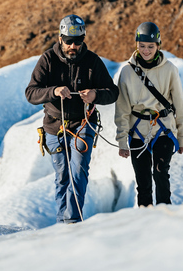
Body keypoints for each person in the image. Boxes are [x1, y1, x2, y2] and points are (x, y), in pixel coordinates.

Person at [25, 14, 119, 224]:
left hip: (84, 123)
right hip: (54, 127)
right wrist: (54, 91)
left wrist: (95, 95)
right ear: (60, 38)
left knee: (78, 172)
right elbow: (31, 93)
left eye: (78, 41)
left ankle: (72, 222)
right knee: (62, 176)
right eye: (68, 41)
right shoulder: (48, 60)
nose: (73, 46)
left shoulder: (93, 61)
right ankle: (63, 222)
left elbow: (112, 92)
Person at [115, 22, 183, 207]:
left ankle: (166, 215)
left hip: (164, 129)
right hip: (137, 131)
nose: (146, 50)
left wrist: (182, 137)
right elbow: (122, 109)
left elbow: (179, 104)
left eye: (150, 46)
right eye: (142, 46)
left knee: (160, 172)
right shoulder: (126, 72)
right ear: (136, 45)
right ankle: (146, 221)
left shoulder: (170, 70)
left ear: (158, 46)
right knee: (143, 182)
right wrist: (122, 141)